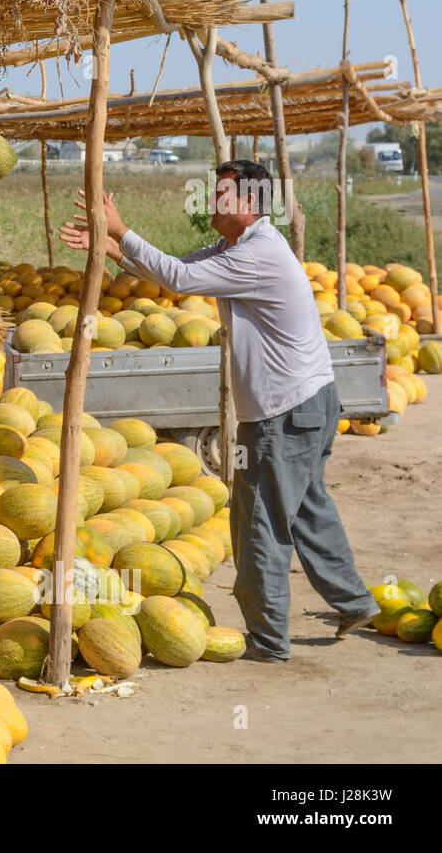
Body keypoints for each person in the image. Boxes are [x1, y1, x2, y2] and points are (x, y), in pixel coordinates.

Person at [59, 160, 379, 663]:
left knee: (259, 524)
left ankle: (269, 641)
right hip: (308, 402)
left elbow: (182, 278)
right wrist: (116, 250)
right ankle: (354, 602)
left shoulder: (257, 255)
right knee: (307, 510)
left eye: (222, 194)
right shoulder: (242, 247)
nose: (212, 202)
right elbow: (179, 270)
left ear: (247, 204)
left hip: (284, 411)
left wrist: (122, 229)